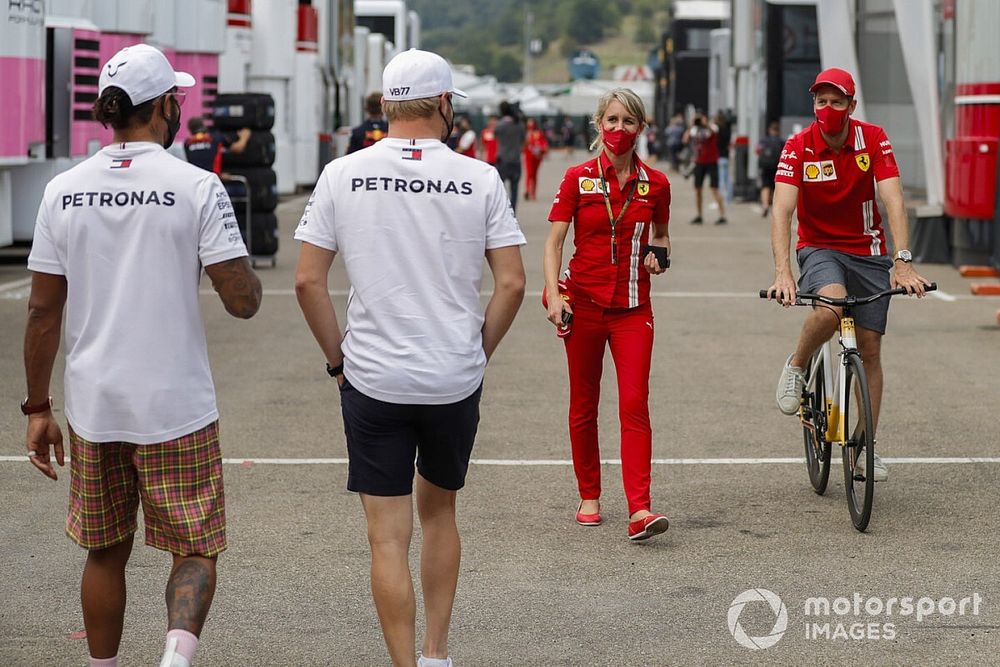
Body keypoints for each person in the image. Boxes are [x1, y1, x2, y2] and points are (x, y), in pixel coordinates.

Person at [21, 43, 261, 667]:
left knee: (104, 550)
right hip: (174, 403)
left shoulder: (62, 191)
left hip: (96, 403)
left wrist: (37, 405)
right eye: (176, 98)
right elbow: (243, 302)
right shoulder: (196, 187)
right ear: (163, 107)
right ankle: (174, 660)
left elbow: (44, 311)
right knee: (195, 544)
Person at [293, 48, 526, 667]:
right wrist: (477, 352)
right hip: (452, 374)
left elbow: (307, 282)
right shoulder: (479, 178)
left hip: (373, 376)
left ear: (386, 105)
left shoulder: (342, 173)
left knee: (387, 537)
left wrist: (338, 360)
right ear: (445, 104)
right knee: (441, 511)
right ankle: (438, 654)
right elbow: (512, 284)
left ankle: (404, 665)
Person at [766, 67, 931, 482]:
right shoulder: (798, 146)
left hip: (869, 251)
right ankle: (798, 365)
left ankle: (864, 448)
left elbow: (892, 199)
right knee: (831, 305)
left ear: (851, 106)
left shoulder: (873, 139)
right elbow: (783, 210)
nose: (828, 109)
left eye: (836, 102)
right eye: (821, 101)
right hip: (819, 248)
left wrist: (903, 261)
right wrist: (783, 272)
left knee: (870, 349)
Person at [542, 88, 672, 542]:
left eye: (629, 122)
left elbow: (661, 237)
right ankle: (590, 495)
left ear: (641, 128)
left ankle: (640, 509)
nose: (620, 130)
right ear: (599, 125)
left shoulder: (656, 184)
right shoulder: (578, 178)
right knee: (585, 403)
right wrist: (552, 293)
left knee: (635, 403)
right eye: (612, 121)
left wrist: (659, 257)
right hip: (584, 304)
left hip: (634, 309)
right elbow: (554, 242)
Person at [683, 111, 726, 224]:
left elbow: (713, 132)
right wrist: (692, 125)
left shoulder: (712, 127)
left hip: (712, 161)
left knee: (714, 188)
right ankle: (699, 215)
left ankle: (722, 215)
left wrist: (705, 124)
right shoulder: (694, 130)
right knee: (698, 189)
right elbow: (685, 140)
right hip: (699, 162)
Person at [183, 116, 250, 175]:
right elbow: (238, 149)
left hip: (195, 179)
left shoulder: (187, 143)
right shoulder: (215, 138)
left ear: (190, 130)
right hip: (212, 178)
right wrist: (244, 137)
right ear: (204, 126)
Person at [494, 101, 525, 212]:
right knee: (514, 189)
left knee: (500, 188)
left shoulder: (500, 125)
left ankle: (501, 211)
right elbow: (523, 140)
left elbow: (495, 135)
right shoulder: (519, 124)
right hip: (516, 160)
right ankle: (513, 212)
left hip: (503, 159)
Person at [756, 120, 784, 217]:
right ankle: (774, 206)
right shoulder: (781, 141)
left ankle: (765, 205)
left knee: (765, 186)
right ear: (778, 131)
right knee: (775, 187)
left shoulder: (764, 140)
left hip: (765, 166)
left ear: (769, 130)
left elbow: (758, 150)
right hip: (776, 166)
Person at [522, 117, 548, 201]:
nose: (530, 125)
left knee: (534, 175)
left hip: (537, 157)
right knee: (529, 174)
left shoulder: (539, 133)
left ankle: (533, 193)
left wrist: (543, 149)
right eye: (529, 124)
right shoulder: (526, 134)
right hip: (528, 156)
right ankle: (527, 191)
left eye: (532, 123)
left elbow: (543, 143)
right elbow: (523, 145)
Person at [714, 110, 733, 205]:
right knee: (727, 179)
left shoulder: (718, 130)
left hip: (719, 156)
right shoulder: (728, 129)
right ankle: (728, 199)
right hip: (726, 155)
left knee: (720, 180)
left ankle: (721, 200)